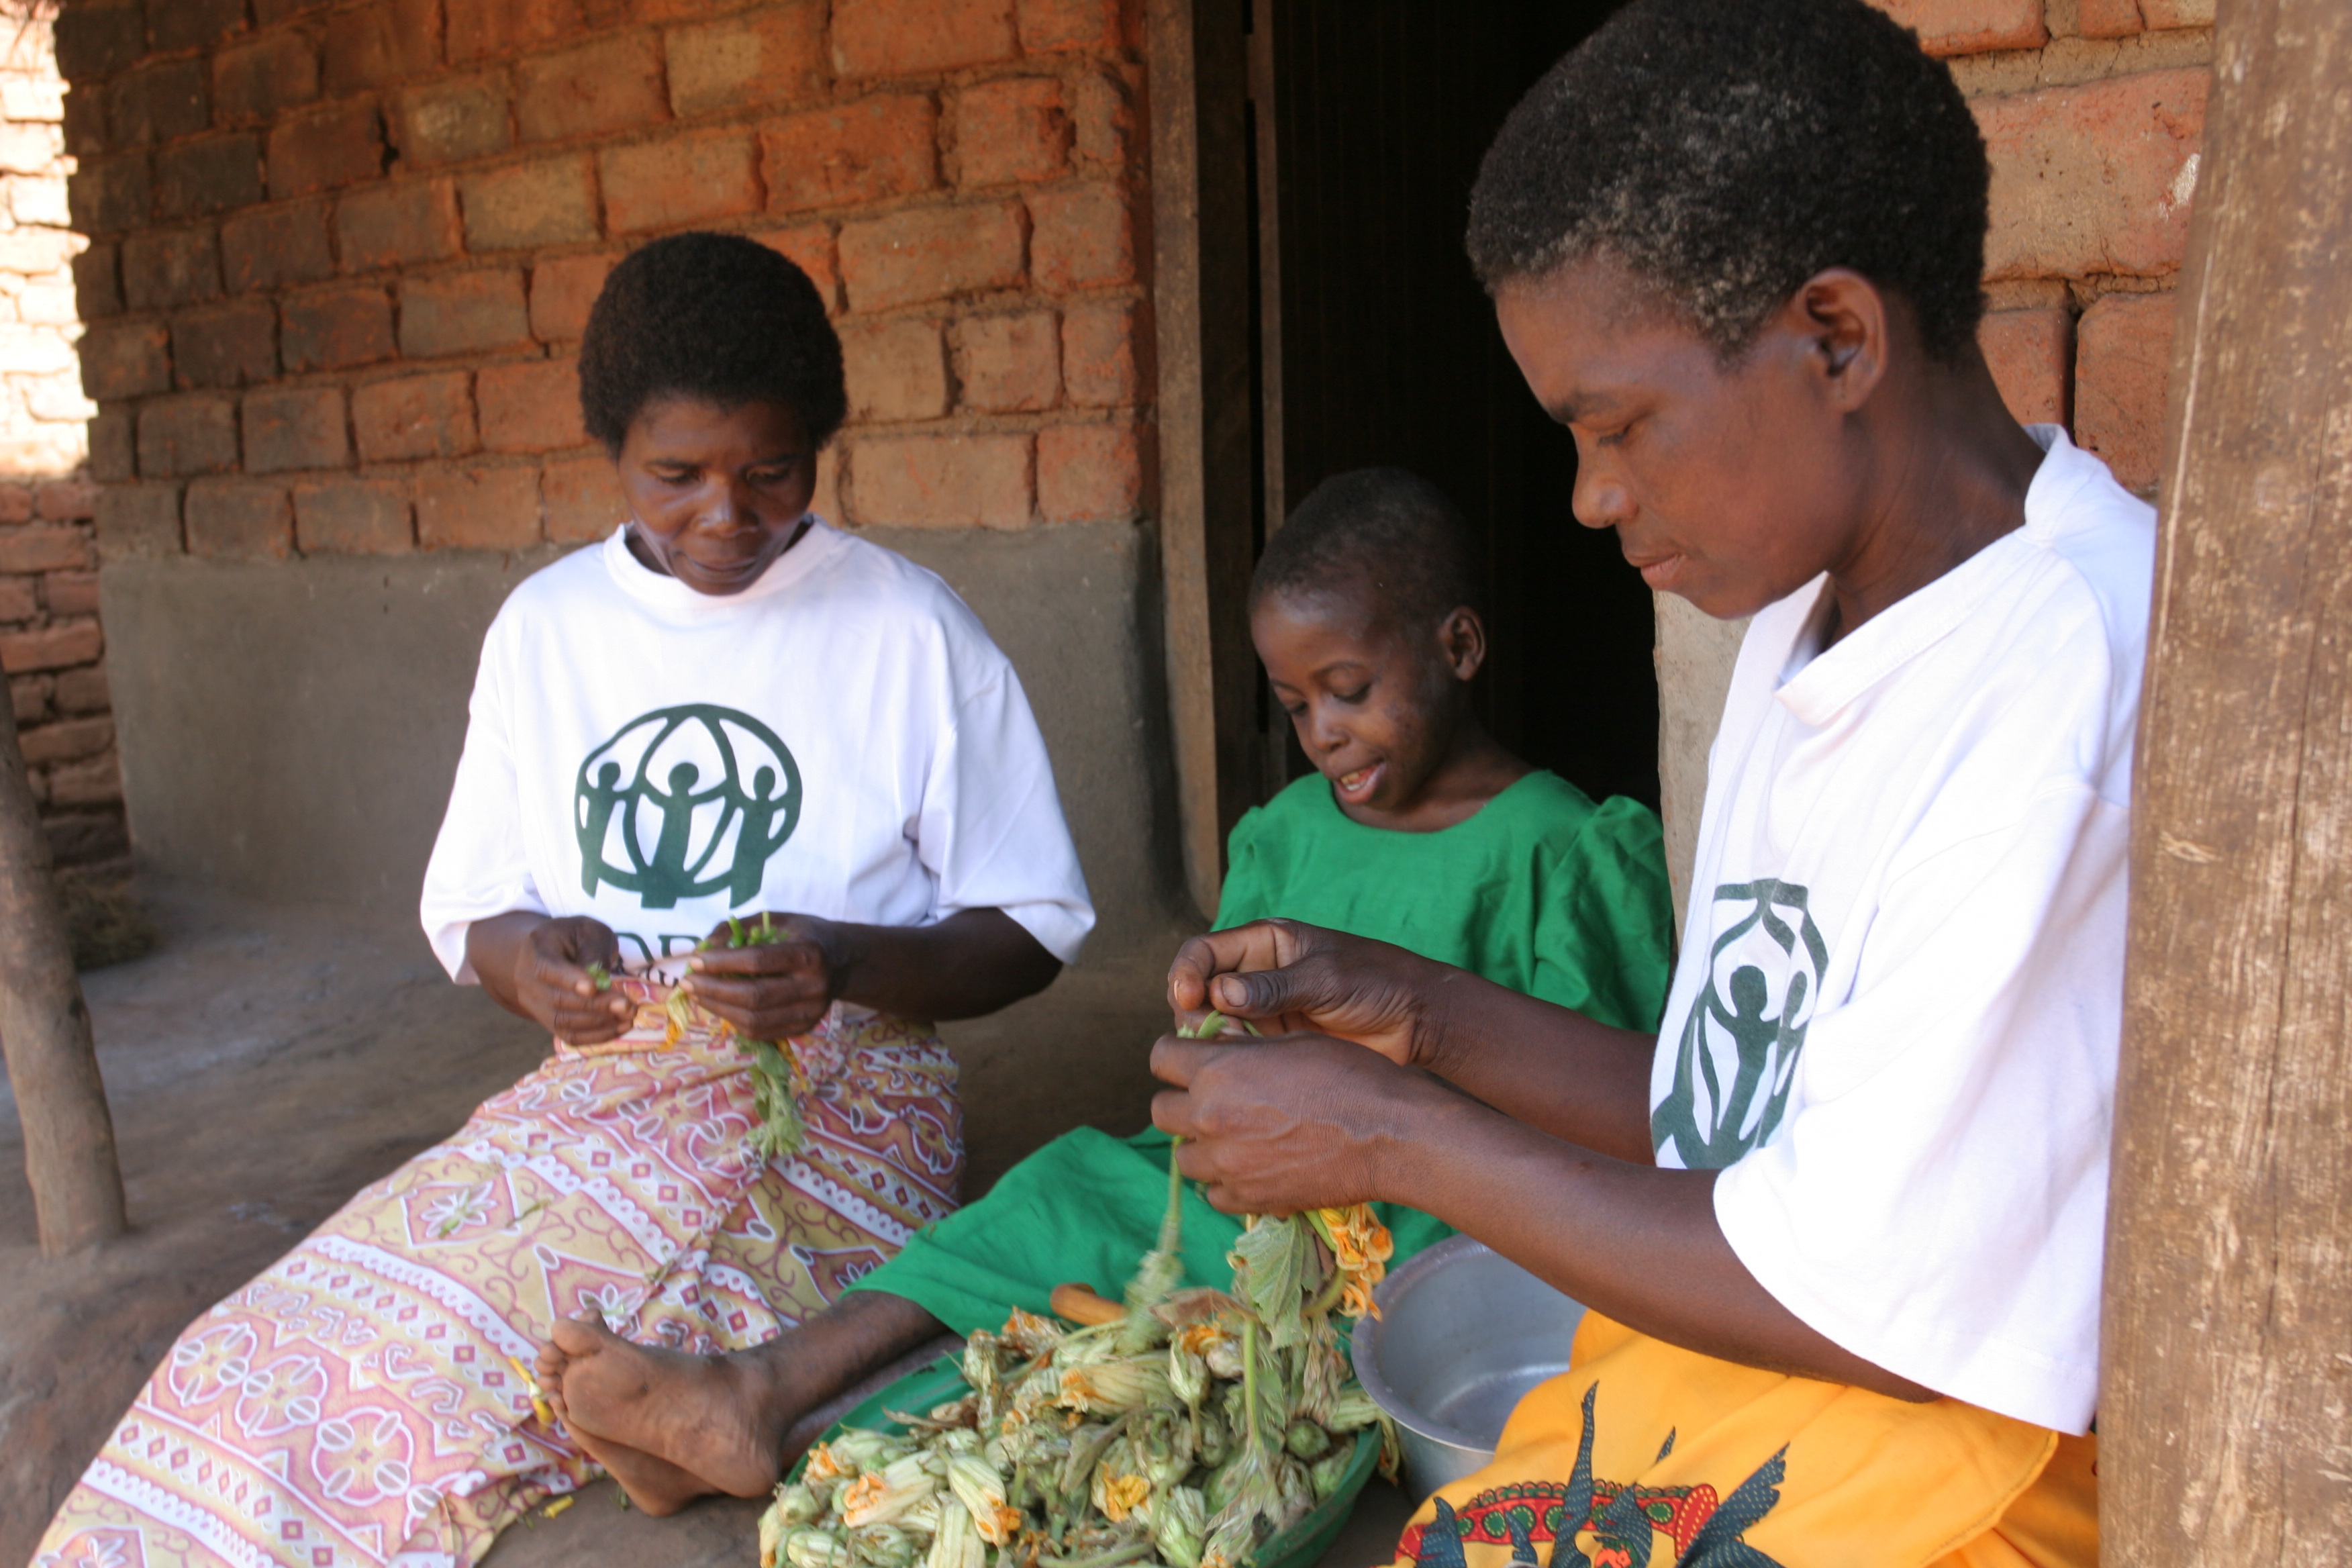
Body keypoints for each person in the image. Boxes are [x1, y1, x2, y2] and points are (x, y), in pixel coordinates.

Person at [1153, 3, 2142, 1565]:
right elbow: (1727, 1119)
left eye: (1615, 426)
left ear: (1836, 337)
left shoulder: (2059, 685)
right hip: (1777, 1380)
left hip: (1960, 1461)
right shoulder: (1810, 615)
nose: (1591, 494)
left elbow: (1872, 1292)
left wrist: (1392, 1140)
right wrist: (1410, 1015)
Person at [34, 234, 1092, 1568]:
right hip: (599, 1095)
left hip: (841, 1102)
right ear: (611, 449)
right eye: (678, 476)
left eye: (771, 470)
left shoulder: (908, 628)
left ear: (820, 443)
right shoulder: (550, 630)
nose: (728, 513)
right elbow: (478, 908)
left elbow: (1032, 933)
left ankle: (687, 1417)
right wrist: (529, 961)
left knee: (517, 1363)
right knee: (260, 1349)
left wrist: (848, 961)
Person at [531, 465, 1679, 1513]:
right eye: (1295, 707)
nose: (1325, 734)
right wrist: (1213, 1031)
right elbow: (1233, 1029)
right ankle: (756, 1386)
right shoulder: (1282, 832)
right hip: (1254, 1183)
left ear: (1461, 647)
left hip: (1427, 1220)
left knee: (1178, 1367)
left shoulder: (1566, 850)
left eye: (1350, 689)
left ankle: (793, 1430)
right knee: (1058, 1200)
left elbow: (1611, 1117)